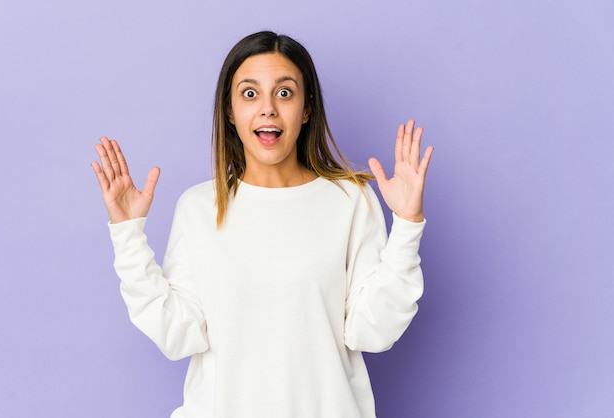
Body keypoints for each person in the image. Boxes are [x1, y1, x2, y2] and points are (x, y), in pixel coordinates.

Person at [92, 31, 433, 418]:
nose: (268, 108)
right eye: (250, 94)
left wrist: (407, 224)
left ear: (306, 109)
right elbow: (178, 334)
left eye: (285, 93)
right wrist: (127, 235)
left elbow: (374, 330)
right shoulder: (199, 207)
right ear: (229, 111)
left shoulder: (350, 200)